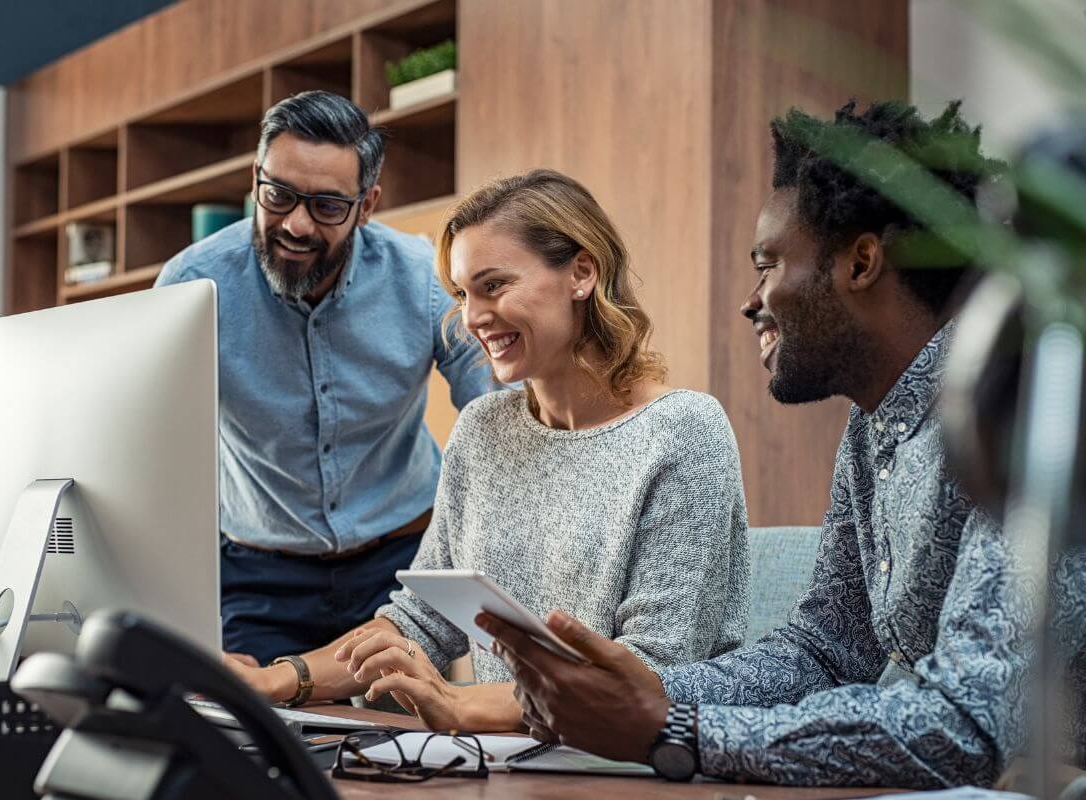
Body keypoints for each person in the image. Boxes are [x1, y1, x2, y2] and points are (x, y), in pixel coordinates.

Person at [484, 100, 1085, 787]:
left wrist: (672, 729)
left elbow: (964, 722)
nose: (752, 299)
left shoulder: (1027, 402)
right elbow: (825, 652)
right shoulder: (873, 426)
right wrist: (639, 694)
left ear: (861, 262)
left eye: (768, 264)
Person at [223, 169, 750, 731]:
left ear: (581, 272)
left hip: (636, 765)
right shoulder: (481, 429)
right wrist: (279, 680)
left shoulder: (685, 432)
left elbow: (651, 675)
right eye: (462, 294)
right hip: (508, 760)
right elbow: (418, 622)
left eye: (494, 286)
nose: (472, 318)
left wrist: (460, 704)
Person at [154, 91, 496, 664]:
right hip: (259, 579)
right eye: (279, 195)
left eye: (327, 207)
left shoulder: (421, 280)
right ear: (255, 176)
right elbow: (150, 443)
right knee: (260, 740)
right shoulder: (192, 286)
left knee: (401, 745)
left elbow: (497, 412)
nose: (295, 224)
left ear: (367, 205)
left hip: (402, 570)